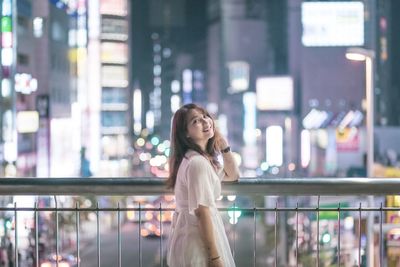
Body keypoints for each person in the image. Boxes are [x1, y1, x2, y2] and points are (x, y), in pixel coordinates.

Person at [166, 103, 240, 267]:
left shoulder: (198, 159)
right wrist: (214, 258)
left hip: (193, 239)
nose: (205, 122)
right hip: (197, 244)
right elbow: (202, 213)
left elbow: (233, 174)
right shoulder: (197, 164)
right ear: (186, 134)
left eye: (205, 116)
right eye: (195, 121)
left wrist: (224, 147)